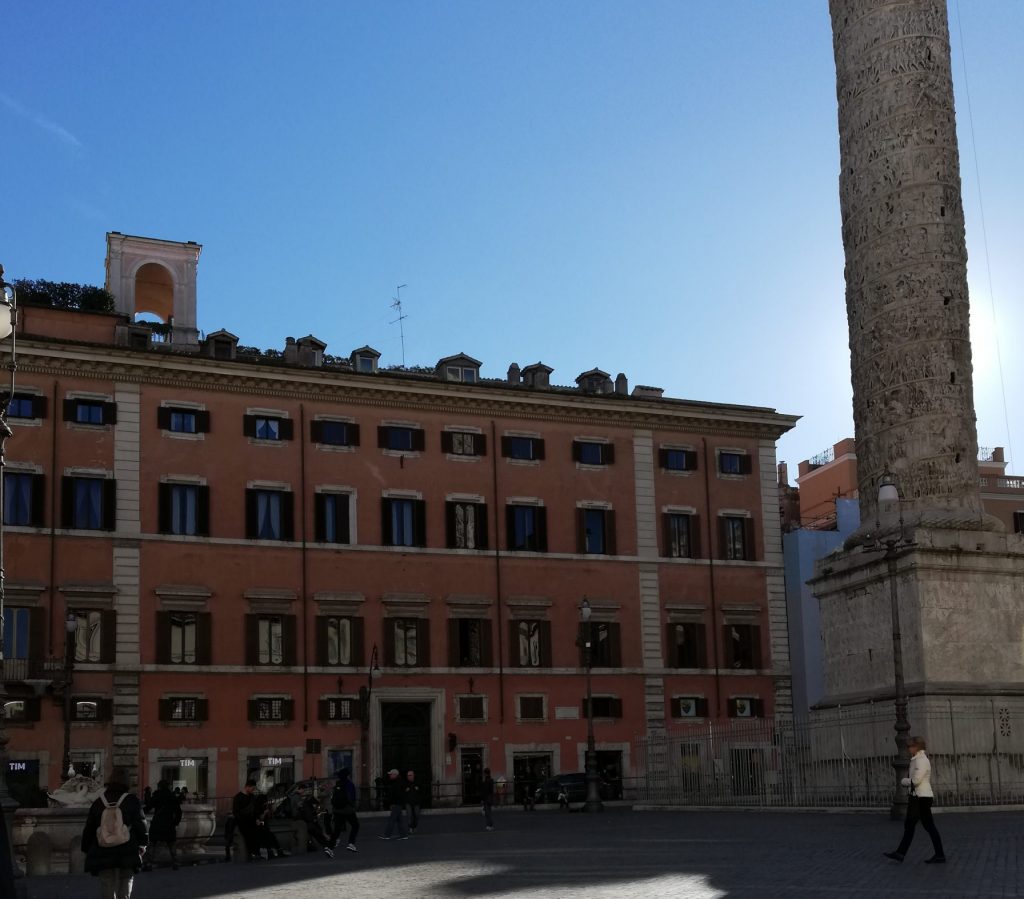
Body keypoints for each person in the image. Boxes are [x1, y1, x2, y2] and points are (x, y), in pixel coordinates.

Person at [80, 767, 148, 899]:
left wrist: (86, 848)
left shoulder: (99, 802)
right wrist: (143, 843)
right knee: (126, 879)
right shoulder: (132, 800)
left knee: (107, 881)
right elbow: (141, 824)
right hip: (127, 847)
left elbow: (89, 827)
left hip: (103, 848)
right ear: (126, 782)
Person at [884, 736, 946, 864]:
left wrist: (903, 781)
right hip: (919, 796)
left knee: (911, 825)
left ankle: (901, 853)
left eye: (910, 746)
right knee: (925, 826)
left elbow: (916, 780)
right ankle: (939, 855)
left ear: (916, 747)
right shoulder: (917, 760)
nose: (908, 749)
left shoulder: (921, 761)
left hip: (920, 797)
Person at [143, 779, 182, 870]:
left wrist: (140, 812)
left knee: (152, 843)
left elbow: (148, 807)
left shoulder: (156, 796)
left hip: (157, 822)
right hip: (169, 823)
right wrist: (175, 822)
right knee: (171, 843)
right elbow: (178, 812)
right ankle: (175, 862)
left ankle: (148, 863)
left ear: (159, 786)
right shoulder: (172, 797)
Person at [296, 785, 334, 857]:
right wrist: (314, 817)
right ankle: (326, 843)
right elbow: (309, 814)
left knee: (318, 829)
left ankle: (326, 842)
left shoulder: (307, 802)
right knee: (317, 830)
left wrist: (315, 815)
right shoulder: (305, 802)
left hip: (310, 821)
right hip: (308, 822)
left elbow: (314, 807)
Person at [231, 779, 263, 861]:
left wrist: (257, 819)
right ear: (247, 787)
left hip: (252, 820)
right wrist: (242, 820)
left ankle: (256, 853)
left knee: (260, 832)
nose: (254, 790)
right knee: (249, 835)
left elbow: (255, 809)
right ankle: (252, 854)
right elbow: (236, 812)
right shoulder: (238, 797)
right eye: (253, 788)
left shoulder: (252, 797)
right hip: (243, 821)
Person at [329, 769, 360, 852]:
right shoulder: (349, 784)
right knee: (355, 825)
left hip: (337, 810)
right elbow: (351, 797)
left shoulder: (337, 784)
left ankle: (331, 845)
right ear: (347, 775)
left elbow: (333, 797)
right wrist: (352, 806)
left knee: (337, 828)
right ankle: (351, 843)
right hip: (347, 809)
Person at [378, 769, 409, 840]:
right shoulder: (397, 781)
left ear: (395, 775)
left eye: (391, 774)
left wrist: (393, 803)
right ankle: (404, 835)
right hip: (399, 803)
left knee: (392, 820)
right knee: (399, 820)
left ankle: (387, 835)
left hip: (397, 803)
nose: (390, 775)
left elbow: (396, 794)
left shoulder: (398, 782)